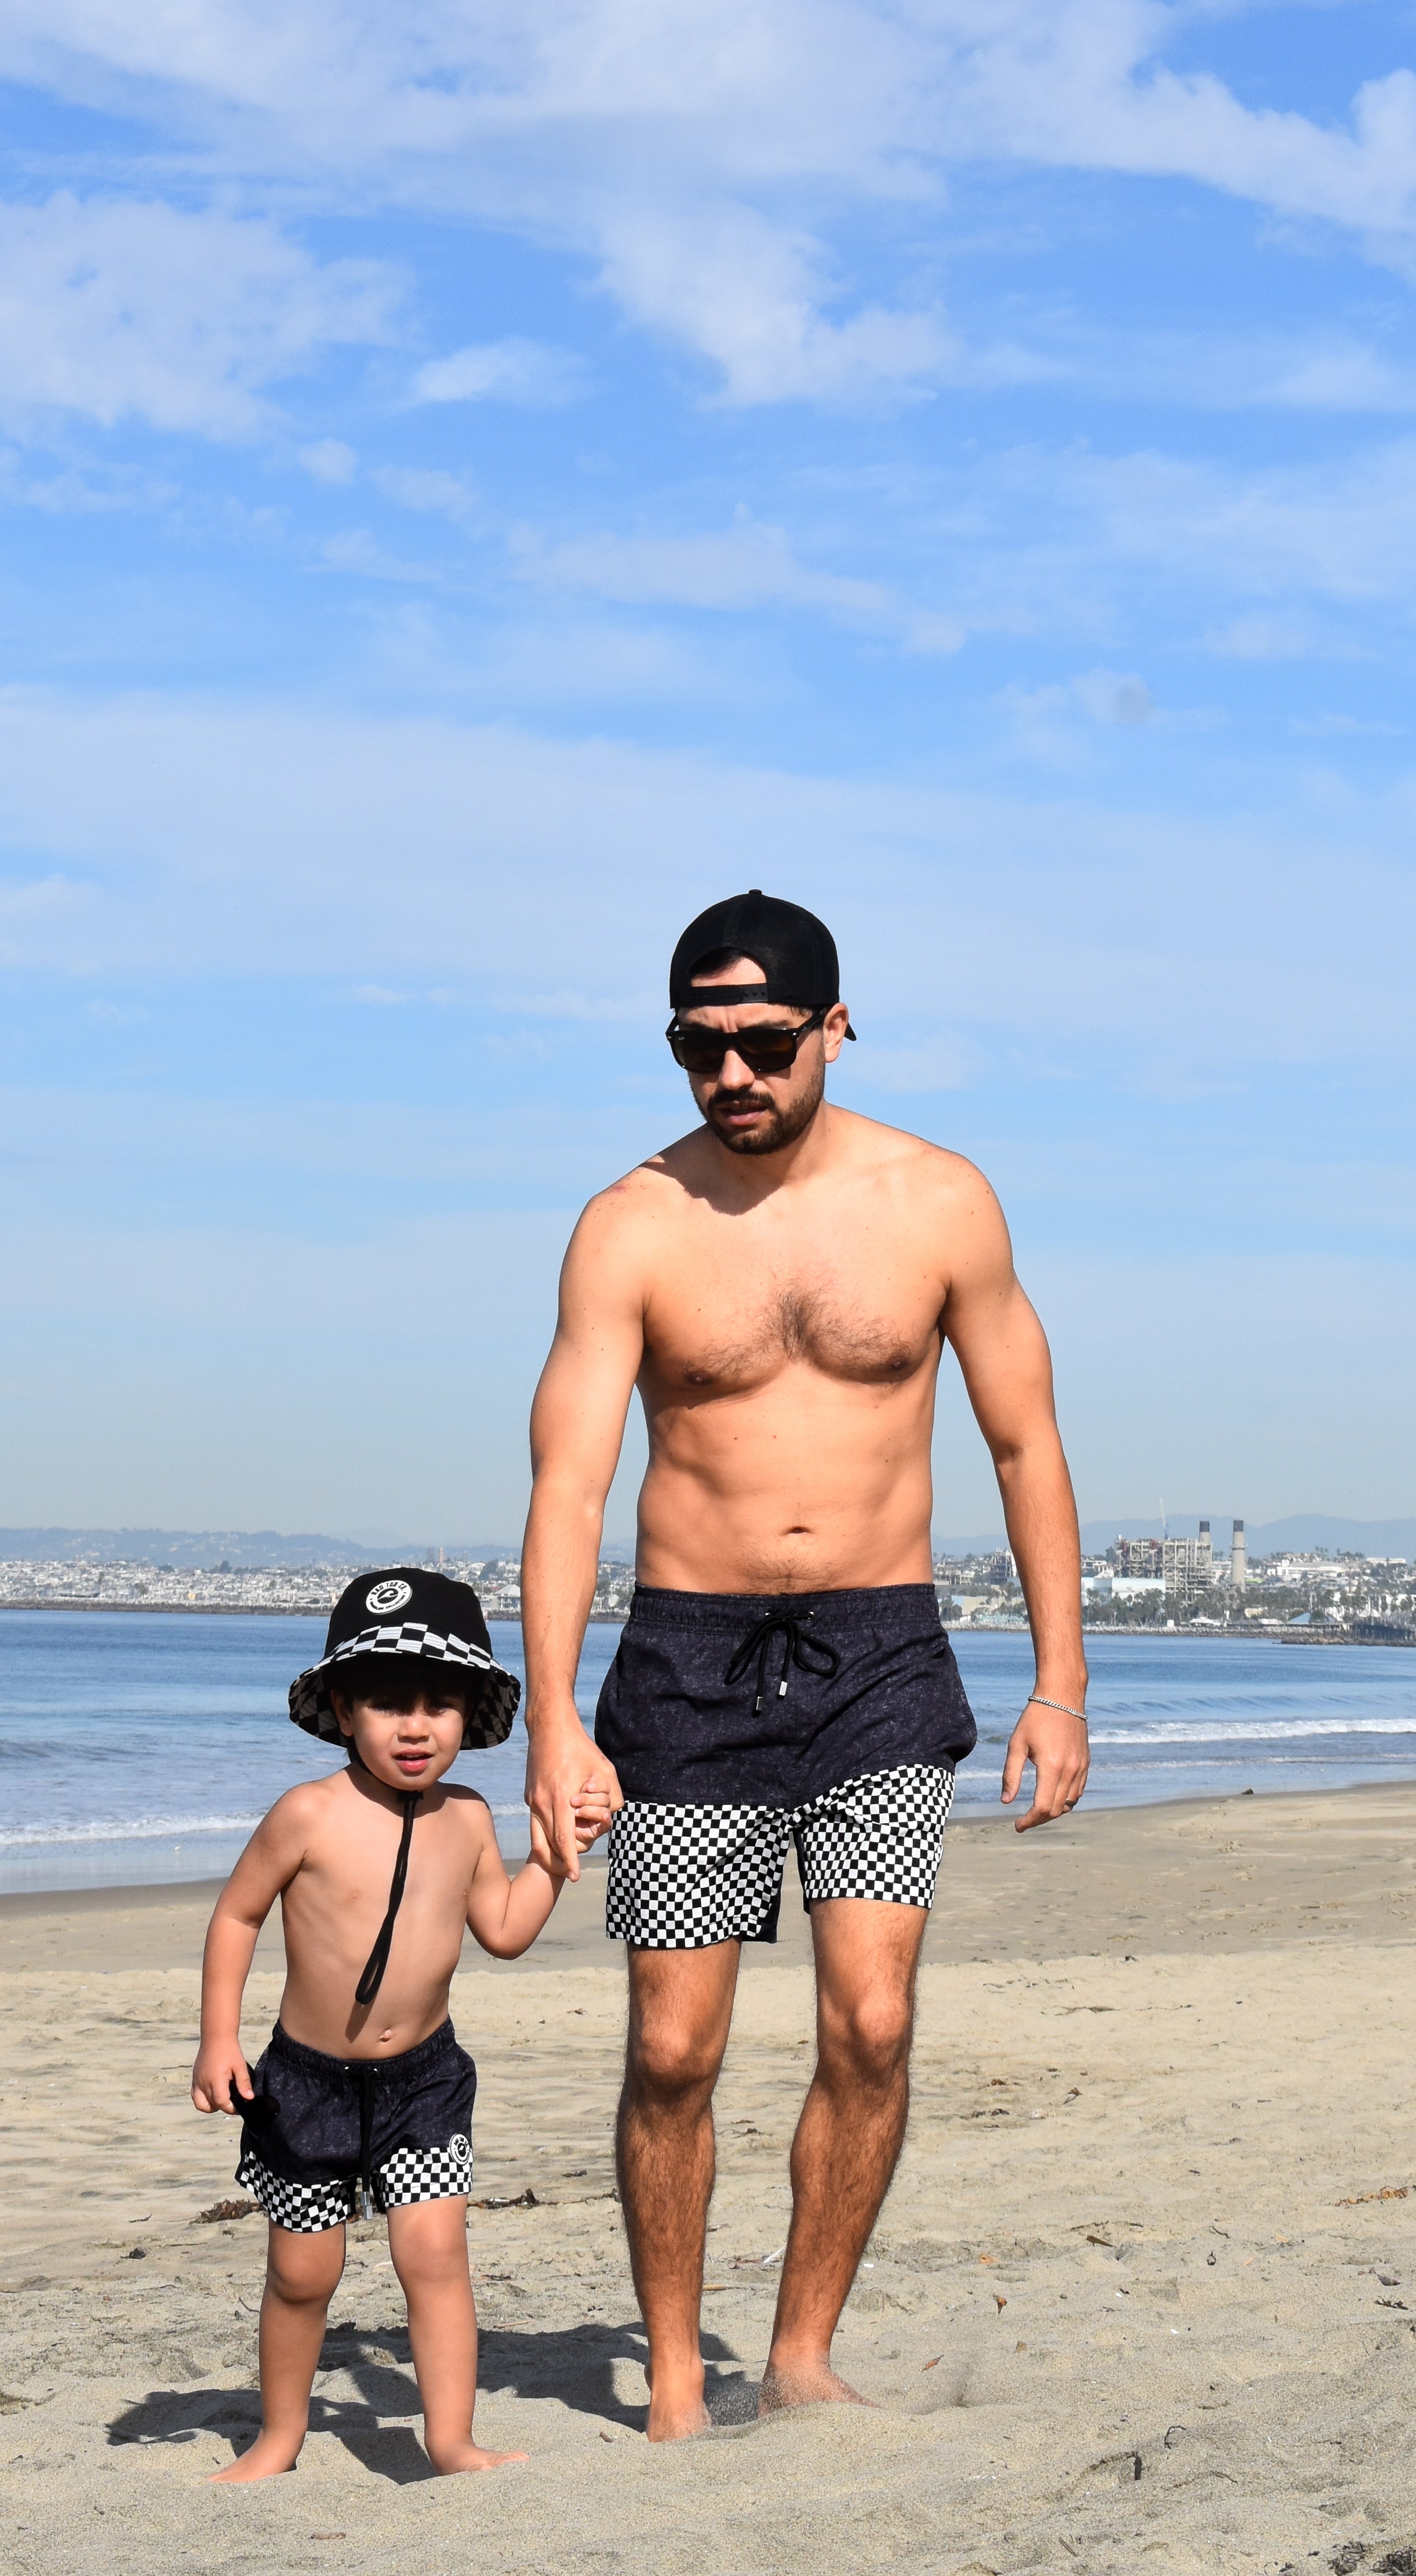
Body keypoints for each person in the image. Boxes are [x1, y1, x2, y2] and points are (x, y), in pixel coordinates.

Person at [520, 888, 1089, 2440]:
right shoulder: (629, 1223)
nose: (730, 1075)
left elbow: (1024, 1441)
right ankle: (678, 2364)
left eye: (762, 1042)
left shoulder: (938, 1202)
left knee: (873, 2022)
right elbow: (568, 1488)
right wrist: (555, 1718)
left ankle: (801, 2346)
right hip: (686, 1660)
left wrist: (1061, 1682)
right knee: (670, 2042)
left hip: (878, 1650)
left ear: (834, 1026)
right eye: (696, 1045)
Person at [190, 1567, 605, 2480]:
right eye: (387, 1703)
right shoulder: (308, 1812)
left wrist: (553, 1853)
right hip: (306, 2085)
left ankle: (449, 2437)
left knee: (435, 2254)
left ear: (468, 1715)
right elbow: (236, 1917)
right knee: (303, 2275)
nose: (415, 1725)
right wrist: (220, 2035)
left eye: (439, 1704)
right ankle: (281, 2435)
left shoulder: (465, 1818)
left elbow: (502, 1931)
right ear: (343, 1709)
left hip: (423, 2080)